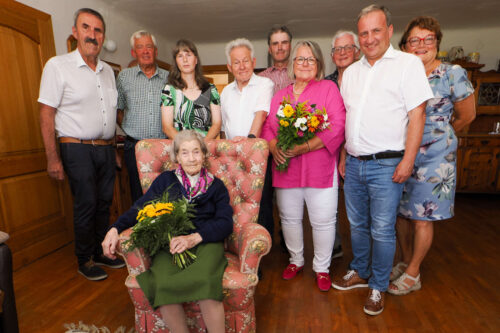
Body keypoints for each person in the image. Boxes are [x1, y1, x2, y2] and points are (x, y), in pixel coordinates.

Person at [331, 5, 434, 315]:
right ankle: (360, 270)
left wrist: (408, 159)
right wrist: (343, 155)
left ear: (389, 31)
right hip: (354, 162)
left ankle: (377, 285)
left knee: (382, 229)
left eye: (376, 31)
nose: (370, 38)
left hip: (388, 164)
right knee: (357, 226)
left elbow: (418, 114)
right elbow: (347, 118)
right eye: (364, 33)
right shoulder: (351, 73)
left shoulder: (407, 65)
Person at [102, 130, 233, 333]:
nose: (191, 158)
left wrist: (193, 238)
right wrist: (115, 228)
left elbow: (225, 223)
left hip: (205, 241)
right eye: (185, 153)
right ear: (177, 157)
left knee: (207, 283)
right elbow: (141, 209)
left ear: (204, 155)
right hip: (170, 245)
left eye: (196, 152)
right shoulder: (165, 180)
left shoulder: (216, 186)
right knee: (163, 283)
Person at [388, 16, 476, 296]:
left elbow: (467, 116)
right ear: (405, 46)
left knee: (422, 217)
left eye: (428, 39)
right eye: (415, 40)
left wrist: (441, 137)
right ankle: (404, 260)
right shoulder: (401, 73)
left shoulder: (453, 73)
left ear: (437, 43)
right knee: (401, 214)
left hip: (435, 159)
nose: (421, 45)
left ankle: (414, 273)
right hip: (402, 153)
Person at [38, 8, 124, 281]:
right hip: (76, 148)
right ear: (75, 32)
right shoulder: (57, 65)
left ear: (103, 36)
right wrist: (53, 159)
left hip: (105, 149)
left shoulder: (108, 71)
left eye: (98, 30)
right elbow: (46, 113)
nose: (92, 35)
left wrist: (113, 149)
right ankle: (84, 259)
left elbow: (109, 112)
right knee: (86, 204)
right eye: (86, 28)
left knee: (104, 203)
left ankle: (102, 252)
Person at [261, 40, 346, 292]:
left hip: (319, 167)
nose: (305, 63)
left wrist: (305, 147)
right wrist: (274, 145)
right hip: (286, 167)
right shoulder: (280, 95)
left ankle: (322, 268)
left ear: (318, 64)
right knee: (289, 218)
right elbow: (267, 126)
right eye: (300, 59)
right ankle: (296, 260)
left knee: (323, 221)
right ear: (292, 64)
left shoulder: (328, 89)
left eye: (310, 59)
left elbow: (338, 125)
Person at [220, 38, 274, 238]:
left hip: (257, 157)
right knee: (235, 206)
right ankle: (239, 248)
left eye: (245, 61)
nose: (242, 66)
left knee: (261, 207)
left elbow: (260, 115)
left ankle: (260, 259)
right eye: (236, 62)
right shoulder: (225, 92)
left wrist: (249, 142)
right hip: (232, 159)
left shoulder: (264, 84)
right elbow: (224, 128)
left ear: (253, 61)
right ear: (229, 66)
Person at [117, 30, 169, 203]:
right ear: (134, 52)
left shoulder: (169, 78)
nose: (145, 51)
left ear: (155, 51)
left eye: (149, 47)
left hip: (163, 146)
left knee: (165, 194)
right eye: (140, 47)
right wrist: (129, 128)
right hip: (134, 146)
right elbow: (119, 109)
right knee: (139, 195)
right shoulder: (124, 77)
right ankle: (142, 229)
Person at [325, 29, 361, 259]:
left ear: (357, 52)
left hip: (356, 150)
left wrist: (345, 156)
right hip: (328, 150)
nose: (343, 52)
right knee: (330, 202)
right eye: (338, 49)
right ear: (332, 55)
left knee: (357, 207)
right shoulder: (326, 83)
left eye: (348, 47)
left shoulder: (364, 80)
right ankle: (334, 246)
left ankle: (362, 258)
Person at [161, 40, 221, 140]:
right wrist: (185, 146)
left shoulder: (210, 89)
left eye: (188, 55)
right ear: (176, 62)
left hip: (205, 148)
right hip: (180, 149)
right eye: (180, 56)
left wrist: (202, 146)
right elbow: (167, 127)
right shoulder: (169, 90)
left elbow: (217, 124)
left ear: (196, 60)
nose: (185, 60)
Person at [259, 25, 294, 94]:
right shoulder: (260, 78)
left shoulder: (301, 75)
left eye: (284, 43)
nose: (280, 47)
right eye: (275, 44)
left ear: (290, 47)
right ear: (269, 49)